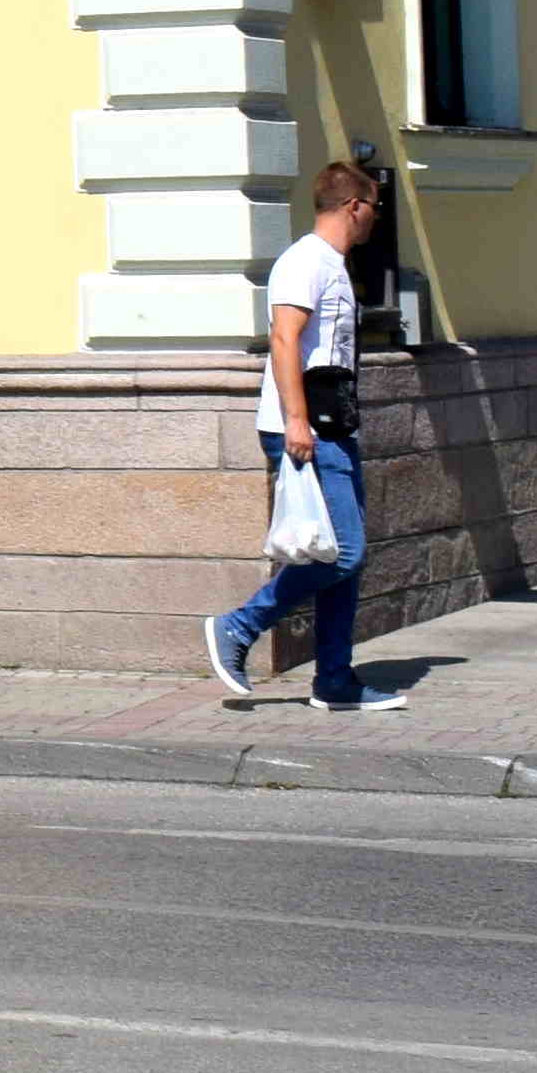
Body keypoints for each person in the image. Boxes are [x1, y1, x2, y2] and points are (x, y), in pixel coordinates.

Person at [208, 161, 402, 713]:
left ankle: (335, 681)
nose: (374, 220)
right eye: (374, 209)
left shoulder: (334, 264)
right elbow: (284, 340)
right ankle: (237, 628)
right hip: (304, 430)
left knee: (345, 556)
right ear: (354, 206)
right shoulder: (304, 261)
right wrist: (296, 420)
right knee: (342, 554)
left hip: (331, 428)